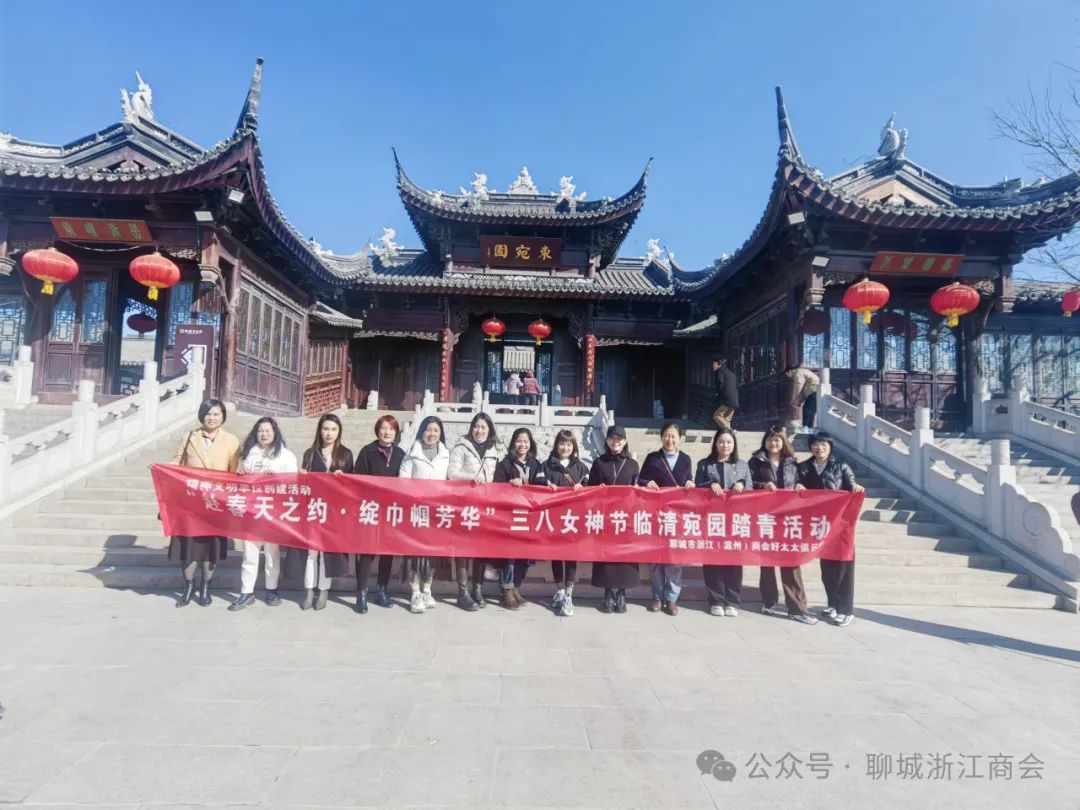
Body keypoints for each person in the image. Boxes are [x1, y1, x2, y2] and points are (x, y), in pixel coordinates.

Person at [168, 398, 240, 608]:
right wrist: (162, 469)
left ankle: (206, 587)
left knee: (211, 548)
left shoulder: (231, 440)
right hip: (190, 501)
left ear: (223, 417)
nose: (212, 418)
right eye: (208, 414)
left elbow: (235, 472)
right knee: (189, 547)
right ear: (202, 415)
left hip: (216, 502)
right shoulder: (190, 436)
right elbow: (177, 461)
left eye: (216, 414)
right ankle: (188, 587)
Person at [748, 425, 817, 625]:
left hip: (788, 519)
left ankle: (797, 608)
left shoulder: (792, 463)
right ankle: (769, 601)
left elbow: (802, 482)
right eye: (770, 439)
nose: (773, 443)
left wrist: (801, 486)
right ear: (765, 441)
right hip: (766, 518)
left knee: (791, 563)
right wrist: (762, 486)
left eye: (777, 439)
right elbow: (748, 484)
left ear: (783, 442)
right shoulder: (756, 462)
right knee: (767, 563)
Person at [230, 417, 298, 612]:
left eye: (268, 430)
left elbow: (294, 483)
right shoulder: (247, 454)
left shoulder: (285, 456)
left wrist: (276, 478)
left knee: (272, 554)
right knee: (249, 553)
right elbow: (238, 480)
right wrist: (240, 474)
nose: (264, 434)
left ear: (275, 432)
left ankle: (272, 589)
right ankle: (246, 592)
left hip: (273, 512)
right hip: (252, 511)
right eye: (260, 430)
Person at [287, 413, 354, 612]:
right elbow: (302, 486)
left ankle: (324, 590)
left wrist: (344, 478)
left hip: (334, 511)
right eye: (325, 429)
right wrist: (302, 476)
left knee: (327, 553)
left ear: (339, 431)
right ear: (320, 430)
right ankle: (309, 590)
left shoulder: (346, 454)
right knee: (311, 553)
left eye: (333, 429)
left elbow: (353, 485)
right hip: (313, 509)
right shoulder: (310, 454)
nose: (329, 433)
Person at [798, 431, 864, 627]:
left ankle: (846, 610)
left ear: (830, 447)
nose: (819, 448)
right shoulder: (805, 467)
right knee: (827, 569)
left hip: (840, 525)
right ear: (810, 447)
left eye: (823, 445)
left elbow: (851, 486)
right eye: (816, 445)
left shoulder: (841, 466)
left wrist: (856, 488)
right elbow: (798, 488)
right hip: (820, 525)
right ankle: (833, 604)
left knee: (843, 567)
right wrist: (799, 487)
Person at [638, 421, 696, 615]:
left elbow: (689, 480)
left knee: (674, 559)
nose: (670, 439)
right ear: (661, 437)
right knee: (656, 559)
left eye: (673, 436)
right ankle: (657, 596)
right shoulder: (653, 458)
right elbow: (640, 480)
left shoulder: (685, 459)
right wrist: (648, 482)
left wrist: (690, 482)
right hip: (657, 514)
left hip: (677, 515)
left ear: (680, 438)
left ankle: (671, 599)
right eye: (667, 435)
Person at [695, 428, 752, 616]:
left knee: (734, 561)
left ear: (734, 445)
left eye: (728, 442)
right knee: (712, 561)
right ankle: (716, 600)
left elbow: (752, 489)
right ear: (715, 444)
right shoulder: (705, 464)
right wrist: (709, 485)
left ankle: (733, 601)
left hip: (735, 520)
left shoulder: (742, 465)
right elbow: (696, 488)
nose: (724, 445)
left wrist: (742, 485)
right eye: (721, 441)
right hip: (712, 520)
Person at [447, 412, 500, 610]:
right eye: (477, 426)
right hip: (464, 504)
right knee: (463, 548)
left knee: (480, 548)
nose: (480, 430)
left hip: (484, 505)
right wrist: (470, 478)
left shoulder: (493, 449)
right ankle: (462, 592)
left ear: (489, 430)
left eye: (484, 427)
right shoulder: (461, 447)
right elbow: (451, 474)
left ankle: (477, 588)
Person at [353, 415, 406, 613]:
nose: (387, 432)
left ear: (396, 432)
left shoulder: (400, 454)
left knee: (387, 553)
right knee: (367, 553)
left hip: (392, 511)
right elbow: (358, 481)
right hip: (371, 509)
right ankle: (361, 593)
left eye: (391, 429)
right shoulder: (367, 452)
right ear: (377, 430)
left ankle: (381, 590)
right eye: (383, 428)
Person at [398, 415, 450, 614]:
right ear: (421, 431)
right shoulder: (412, 453)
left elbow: (451, 481)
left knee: (432, 553)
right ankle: (415, 593)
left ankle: (427, 589)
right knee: (414, 553)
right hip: (415, 510)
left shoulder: (446, 454)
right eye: (428, 430)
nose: (432, 434)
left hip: (437, 511)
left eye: (436, 430)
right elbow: (403, 480)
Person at [588, 425, 640, 614]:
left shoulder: (632, 464)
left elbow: (638, 491)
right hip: (605, 518)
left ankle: (622, 594)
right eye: (612, 438)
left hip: (626, 518)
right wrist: (598, 490)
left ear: (625, 441)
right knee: (606, 558)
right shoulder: (598, 463)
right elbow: (590, 489)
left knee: (625, 558)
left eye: (619, 439)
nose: (615, 442)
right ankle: (608, 594)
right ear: (607, 441)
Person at [493, 427, 546, 609]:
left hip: (530, 518)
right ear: (513, 443)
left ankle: (516, 586)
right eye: (519, 441)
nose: (522, 444)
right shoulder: (505, 464)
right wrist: (509, 484)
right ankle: (506, 589)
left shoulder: (536, 464)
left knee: (526, 555)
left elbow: (541, 487)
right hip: (510, 518)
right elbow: (496, 487)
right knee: (510, 555)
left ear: (530, 444)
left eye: (525, 441)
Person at [542, 429, 591, 617]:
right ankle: (560, 590)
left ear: (574, 446)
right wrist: (546, 486)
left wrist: (582, 488)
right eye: (562, 443)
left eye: (569, 444)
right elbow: (536, 484)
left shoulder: (581, 467)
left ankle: (569, 593)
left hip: (573, 518)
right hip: (553, 517)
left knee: (571, 555)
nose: (565, 447)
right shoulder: (546, 465)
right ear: (556, 445)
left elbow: (591, 488)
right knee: (556, 555)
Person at [786, 365, 820, 433]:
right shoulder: (803, 371)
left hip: (813, 390)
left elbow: (799, 386)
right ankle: (809, 428)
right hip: (816, 390)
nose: (789, 376)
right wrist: (800, 400)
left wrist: (793, 398)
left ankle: (805, 427)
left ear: (790, 371)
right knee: (811, 411)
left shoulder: (798, 372)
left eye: (787, 374)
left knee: (806, 409)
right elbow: (803, 389)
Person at [711, 358, 739, 430]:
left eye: (714, 364)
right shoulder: (731, 373)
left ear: (718, 365)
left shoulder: (719, 371)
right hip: (735, 400)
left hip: (727, 399)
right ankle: (729, 434)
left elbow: (720, 381)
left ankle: (730, 430)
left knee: (717, 416)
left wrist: (717, 393)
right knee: (726, 420)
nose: (713, 366)